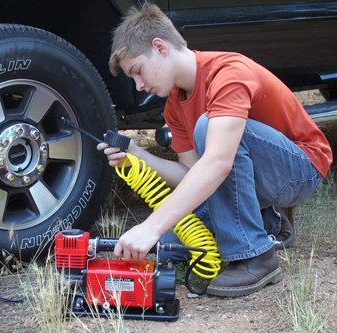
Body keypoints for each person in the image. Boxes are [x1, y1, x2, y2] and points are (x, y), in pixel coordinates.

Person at [97, 3, 332, 297]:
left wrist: (151, 225)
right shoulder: (174, 106)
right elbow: (192, 175)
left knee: (209, 127)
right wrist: (137, 154)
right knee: (172, 244)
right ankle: (268, 220)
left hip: (300, 169)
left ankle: (255, 257)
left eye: (138, 71)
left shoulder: (227, 72)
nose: (139, 85)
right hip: (255, 173)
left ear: (160, 47)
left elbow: (218, 163)